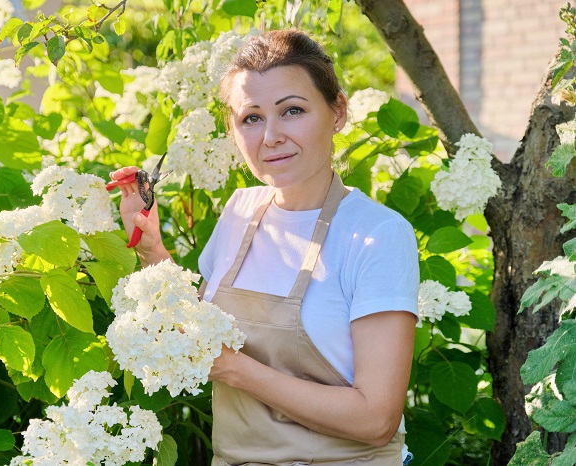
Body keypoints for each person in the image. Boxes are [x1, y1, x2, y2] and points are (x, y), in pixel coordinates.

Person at [110, 30, 419, 466]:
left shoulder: (376, 234)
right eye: (251, 118)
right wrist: (151, 246)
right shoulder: (241, 210)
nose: (270, 136)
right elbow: (202, 333)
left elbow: (376, 419)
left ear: (338, 112)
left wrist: (234, 368)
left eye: (292, 111)